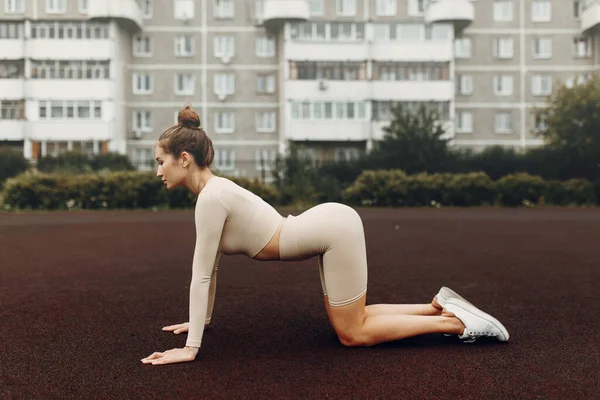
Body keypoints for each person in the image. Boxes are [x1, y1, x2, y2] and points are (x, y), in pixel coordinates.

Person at [141, 106, 509, 366]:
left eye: (161, 161)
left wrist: (191, 348)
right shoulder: (214, 192)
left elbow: (202, 274)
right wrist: (201, 321)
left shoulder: (211, 198)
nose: (158, 171)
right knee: (352, 320)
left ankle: (457, 324)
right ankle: (437, 306)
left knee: (353, 333)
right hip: (328, 226)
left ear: (184, 158)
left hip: (331, 231)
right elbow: (212, 270)